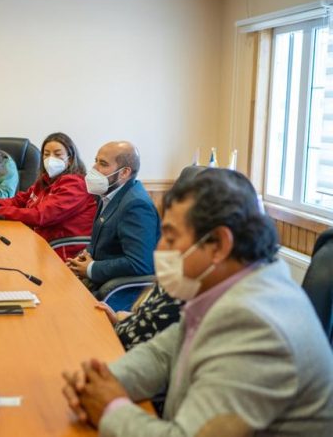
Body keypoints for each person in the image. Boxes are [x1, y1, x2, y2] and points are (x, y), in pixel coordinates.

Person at [62, 168, 333, 436]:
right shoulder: (237, 285)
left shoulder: (255, 321)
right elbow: (163, 354)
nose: (160, 249)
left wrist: (110, 407)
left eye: (170, 237)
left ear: (218, 245)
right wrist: (99, 382)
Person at [0, 132, 96, 260]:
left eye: (58, 154)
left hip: (62, 252)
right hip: (38, 242)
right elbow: (20, 200)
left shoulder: (75, 184)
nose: (50, 158)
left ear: (70, 159)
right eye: (46, 154)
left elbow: (40, 215)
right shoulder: (45, 181)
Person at [66, 141, 160, 301]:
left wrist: (91, 268)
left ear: (124, 173)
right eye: (96, 161)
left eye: (102, 164)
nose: (94, 168)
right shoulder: (109, 194)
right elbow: (105, 243)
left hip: (116, 293)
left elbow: (140, 263)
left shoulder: (136, 205)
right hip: (98, 282)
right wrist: (84, 256)